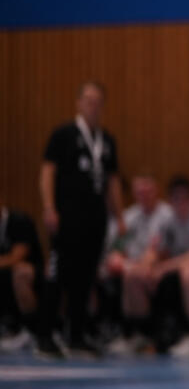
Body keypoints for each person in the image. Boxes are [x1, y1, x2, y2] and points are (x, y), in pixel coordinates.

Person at [39, 80, 124, 357]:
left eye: (98, 102)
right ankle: (45, 336)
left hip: (95, 220)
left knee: (85, 279)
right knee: (58, 275)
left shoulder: (107, 141)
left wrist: (119, 216)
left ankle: (76, 336)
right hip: (66, 217)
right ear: (78, 103)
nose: (93, 106)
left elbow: (112, 181)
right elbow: (48, 172)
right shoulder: (63, 135)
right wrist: (49, 207)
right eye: (88, 100)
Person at [130, 176, 189, 357]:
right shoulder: (167, 220)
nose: (181, 203)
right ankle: (141, 337)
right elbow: (155, 250)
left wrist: (162, 268)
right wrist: (146, 266)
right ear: (170, 201)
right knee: (134, 274)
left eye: (185, 198)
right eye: (176, 199)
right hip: (175, 275)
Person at [100, 172, 174, 355]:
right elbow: (117, 249)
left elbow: (159, 251)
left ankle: (142, 335)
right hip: (133, 265)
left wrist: (137, 266)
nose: (144, 196)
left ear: (156, 191)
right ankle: (128, 333)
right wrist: (120, 260)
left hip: (160, 266)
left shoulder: (166, 215)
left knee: (133, 276)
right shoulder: (129, 217)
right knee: (119, 273)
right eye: (140, 192)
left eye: (148, 191)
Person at [0, 206, 44, 352]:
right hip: (5, 279)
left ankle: (31, 331)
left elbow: (17, 257)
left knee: (20, 272)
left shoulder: (19, 221)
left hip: (36, 278)